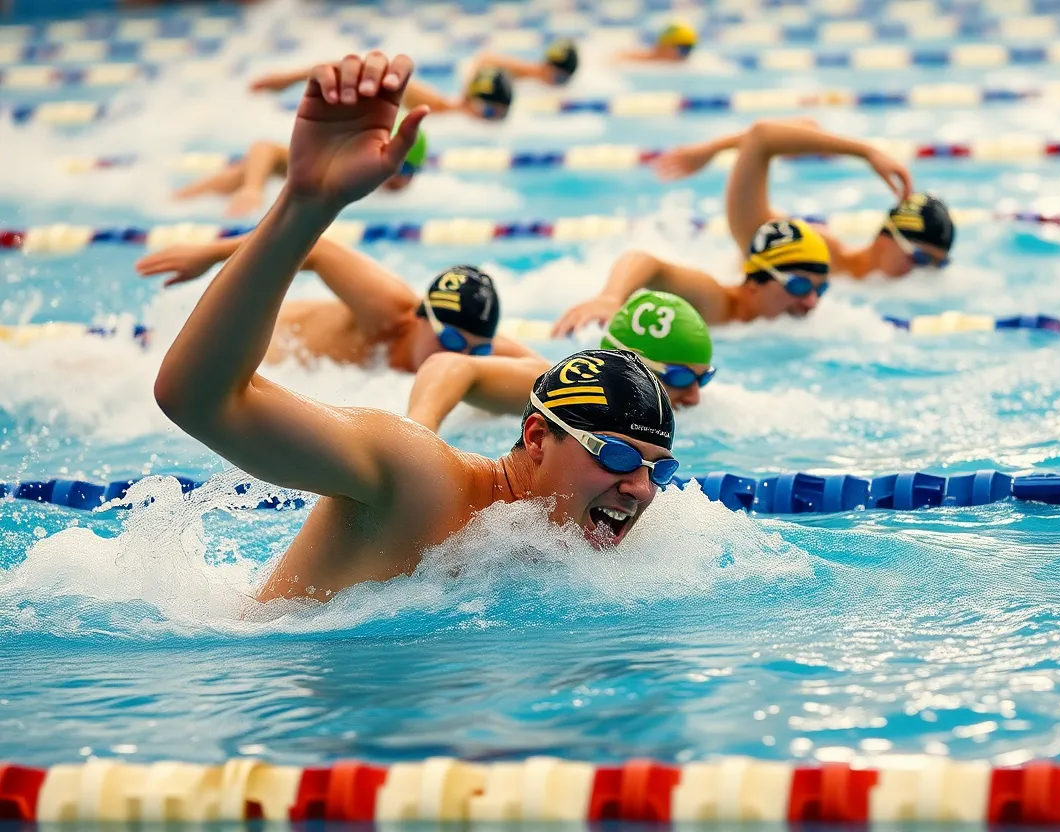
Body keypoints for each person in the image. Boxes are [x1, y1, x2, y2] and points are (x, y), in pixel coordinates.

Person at [154, 52, 680, 602]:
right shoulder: (418, 477)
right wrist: (305, 204)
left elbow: (492, 371)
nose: (640, 487)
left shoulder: (582, 530)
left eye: (657, 470)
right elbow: (198, 399)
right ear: (535, 440)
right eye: (616, 455)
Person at [137, 236, 538, 371]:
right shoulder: (387, 307)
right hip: (212, 344)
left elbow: (538, 372)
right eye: (450, 341)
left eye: (479, 350)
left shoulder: (468, 351)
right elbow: (314, 247)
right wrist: (208, 253)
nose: (463, 357)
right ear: (420, 317)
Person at [651, 118, 954, 278]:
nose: (922, 273)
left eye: (935, 265)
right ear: (887, 236)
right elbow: (763, 135)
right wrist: (867, 152)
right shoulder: (796, 246)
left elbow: (803, 127)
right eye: (920, 258)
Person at [409, 290, 714, 432]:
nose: (696, 396)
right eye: (682, 379)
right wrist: (419, 433)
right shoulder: (571, 391)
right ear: (636, 366)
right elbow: (447, 365)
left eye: (704, 378)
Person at [553, 217, 832, 335]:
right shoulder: (714, 301)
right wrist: (611, 297)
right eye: (799, 285)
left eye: (820, 290)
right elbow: (646, 261)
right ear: (753, 283)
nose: (811, 302)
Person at [172, 127, 427, 217]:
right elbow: (264, 147)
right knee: (240, 176)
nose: (399, 176)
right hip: (201, 201)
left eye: (408, 170)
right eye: (397, 167)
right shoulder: (334, 169)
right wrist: (252, 190)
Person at [250, 64, 514, 121]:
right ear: (467, 99)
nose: (488, 121)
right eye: (488, 111)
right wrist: (288, 78)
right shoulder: (435, 104)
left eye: (497, 116)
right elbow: (354, 67)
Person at [467, 37, 579, 86]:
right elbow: (485, 58)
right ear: (545, 67)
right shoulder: (526, 70)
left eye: (563, 79)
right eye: (558, 78)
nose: (556, 84)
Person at [616, 20, 698, 63]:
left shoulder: (686, 64)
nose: (683, 55)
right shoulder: (638, 57)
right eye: (682, 50)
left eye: (687, 50)